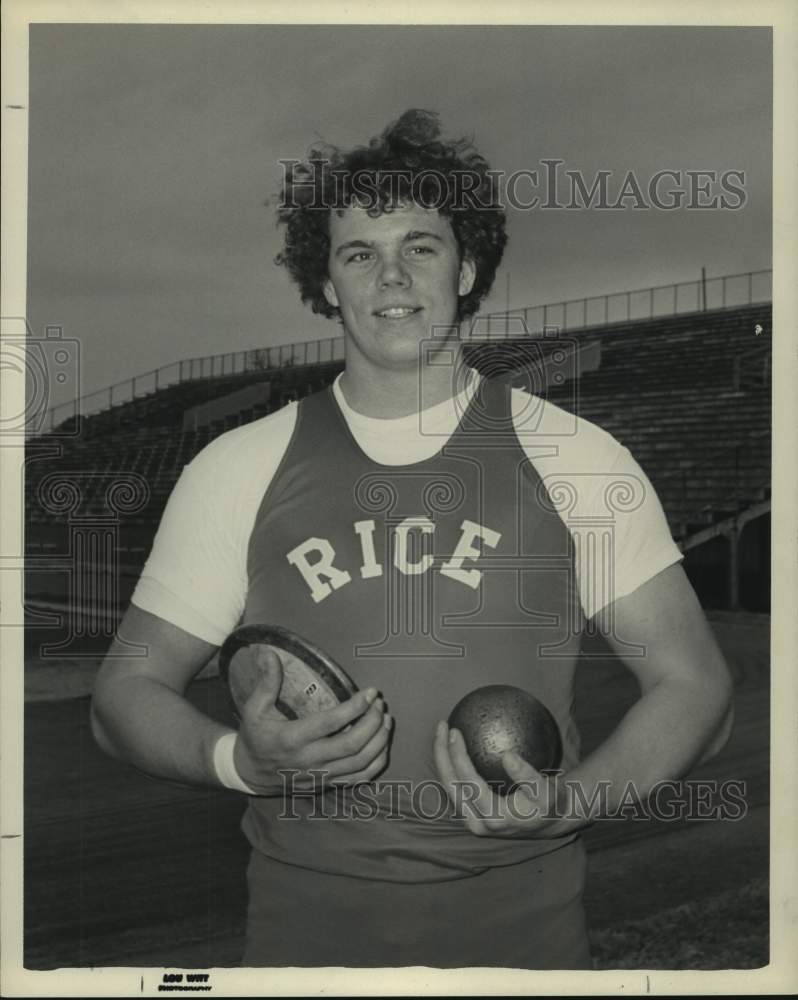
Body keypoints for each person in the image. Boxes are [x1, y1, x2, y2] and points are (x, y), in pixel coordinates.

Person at [91, 109, 734, 969]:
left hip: (528, 948)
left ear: (467, 267)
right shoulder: (238, 467)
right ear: (326, 283)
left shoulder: (574, 457)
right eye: (359, 253)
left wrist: (571, 800)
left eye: (421, 246)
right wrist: (239, 760)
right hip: (301, 949)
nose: (391, 275)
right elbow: (120, 699)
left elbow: (693, 684)